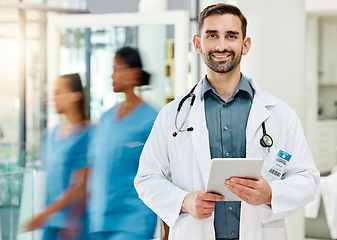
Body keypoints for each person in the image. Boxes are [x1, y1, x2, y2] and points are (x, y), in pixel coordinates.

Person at [134, 3, 320, 240]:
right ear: (198, 43)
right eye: (212, 35)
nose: (221, 46)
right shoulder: (172, 115)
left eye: (231, 36)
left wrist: (270, 193)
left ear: (245, 44)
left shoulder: (280, 114)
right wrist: (184, 201)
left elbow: (308, 179)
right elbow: (146, 178)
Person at [87, 46, 158, 240]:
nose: (112, 76)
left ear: (134, 73)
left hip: (134, 219)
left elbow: (166, 174)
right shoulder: (106, 118)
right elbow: (94, 169)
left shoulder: (151, 119)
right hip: (100, 219)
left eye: (117, 69)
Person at [25, 73, 90, 240]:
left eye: (58, 93)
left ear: (75, 96)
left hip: (73, 226)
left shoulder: (86, 134)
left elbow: (80, 186)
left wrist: (46, 213)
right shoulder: (50, 134)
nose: (52, 99)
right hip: (50, 224)